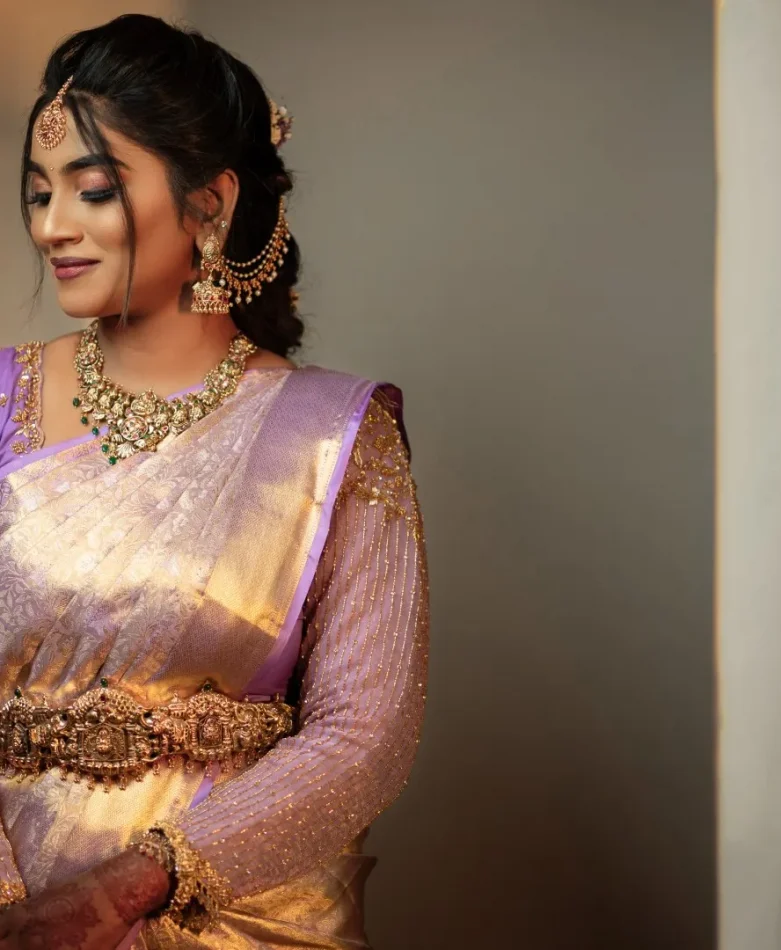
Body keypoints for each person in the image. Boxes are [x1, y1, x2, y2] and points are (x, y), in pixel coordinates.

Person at [0, 14, 429, 950]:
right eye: (38, 192)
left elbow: (364, 733)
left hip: (237, 916)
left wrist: (123, 890)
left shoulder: (334, 437)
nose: (52, 226)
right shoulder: (2, 400)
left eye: (93, 190)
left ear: (210, 204)